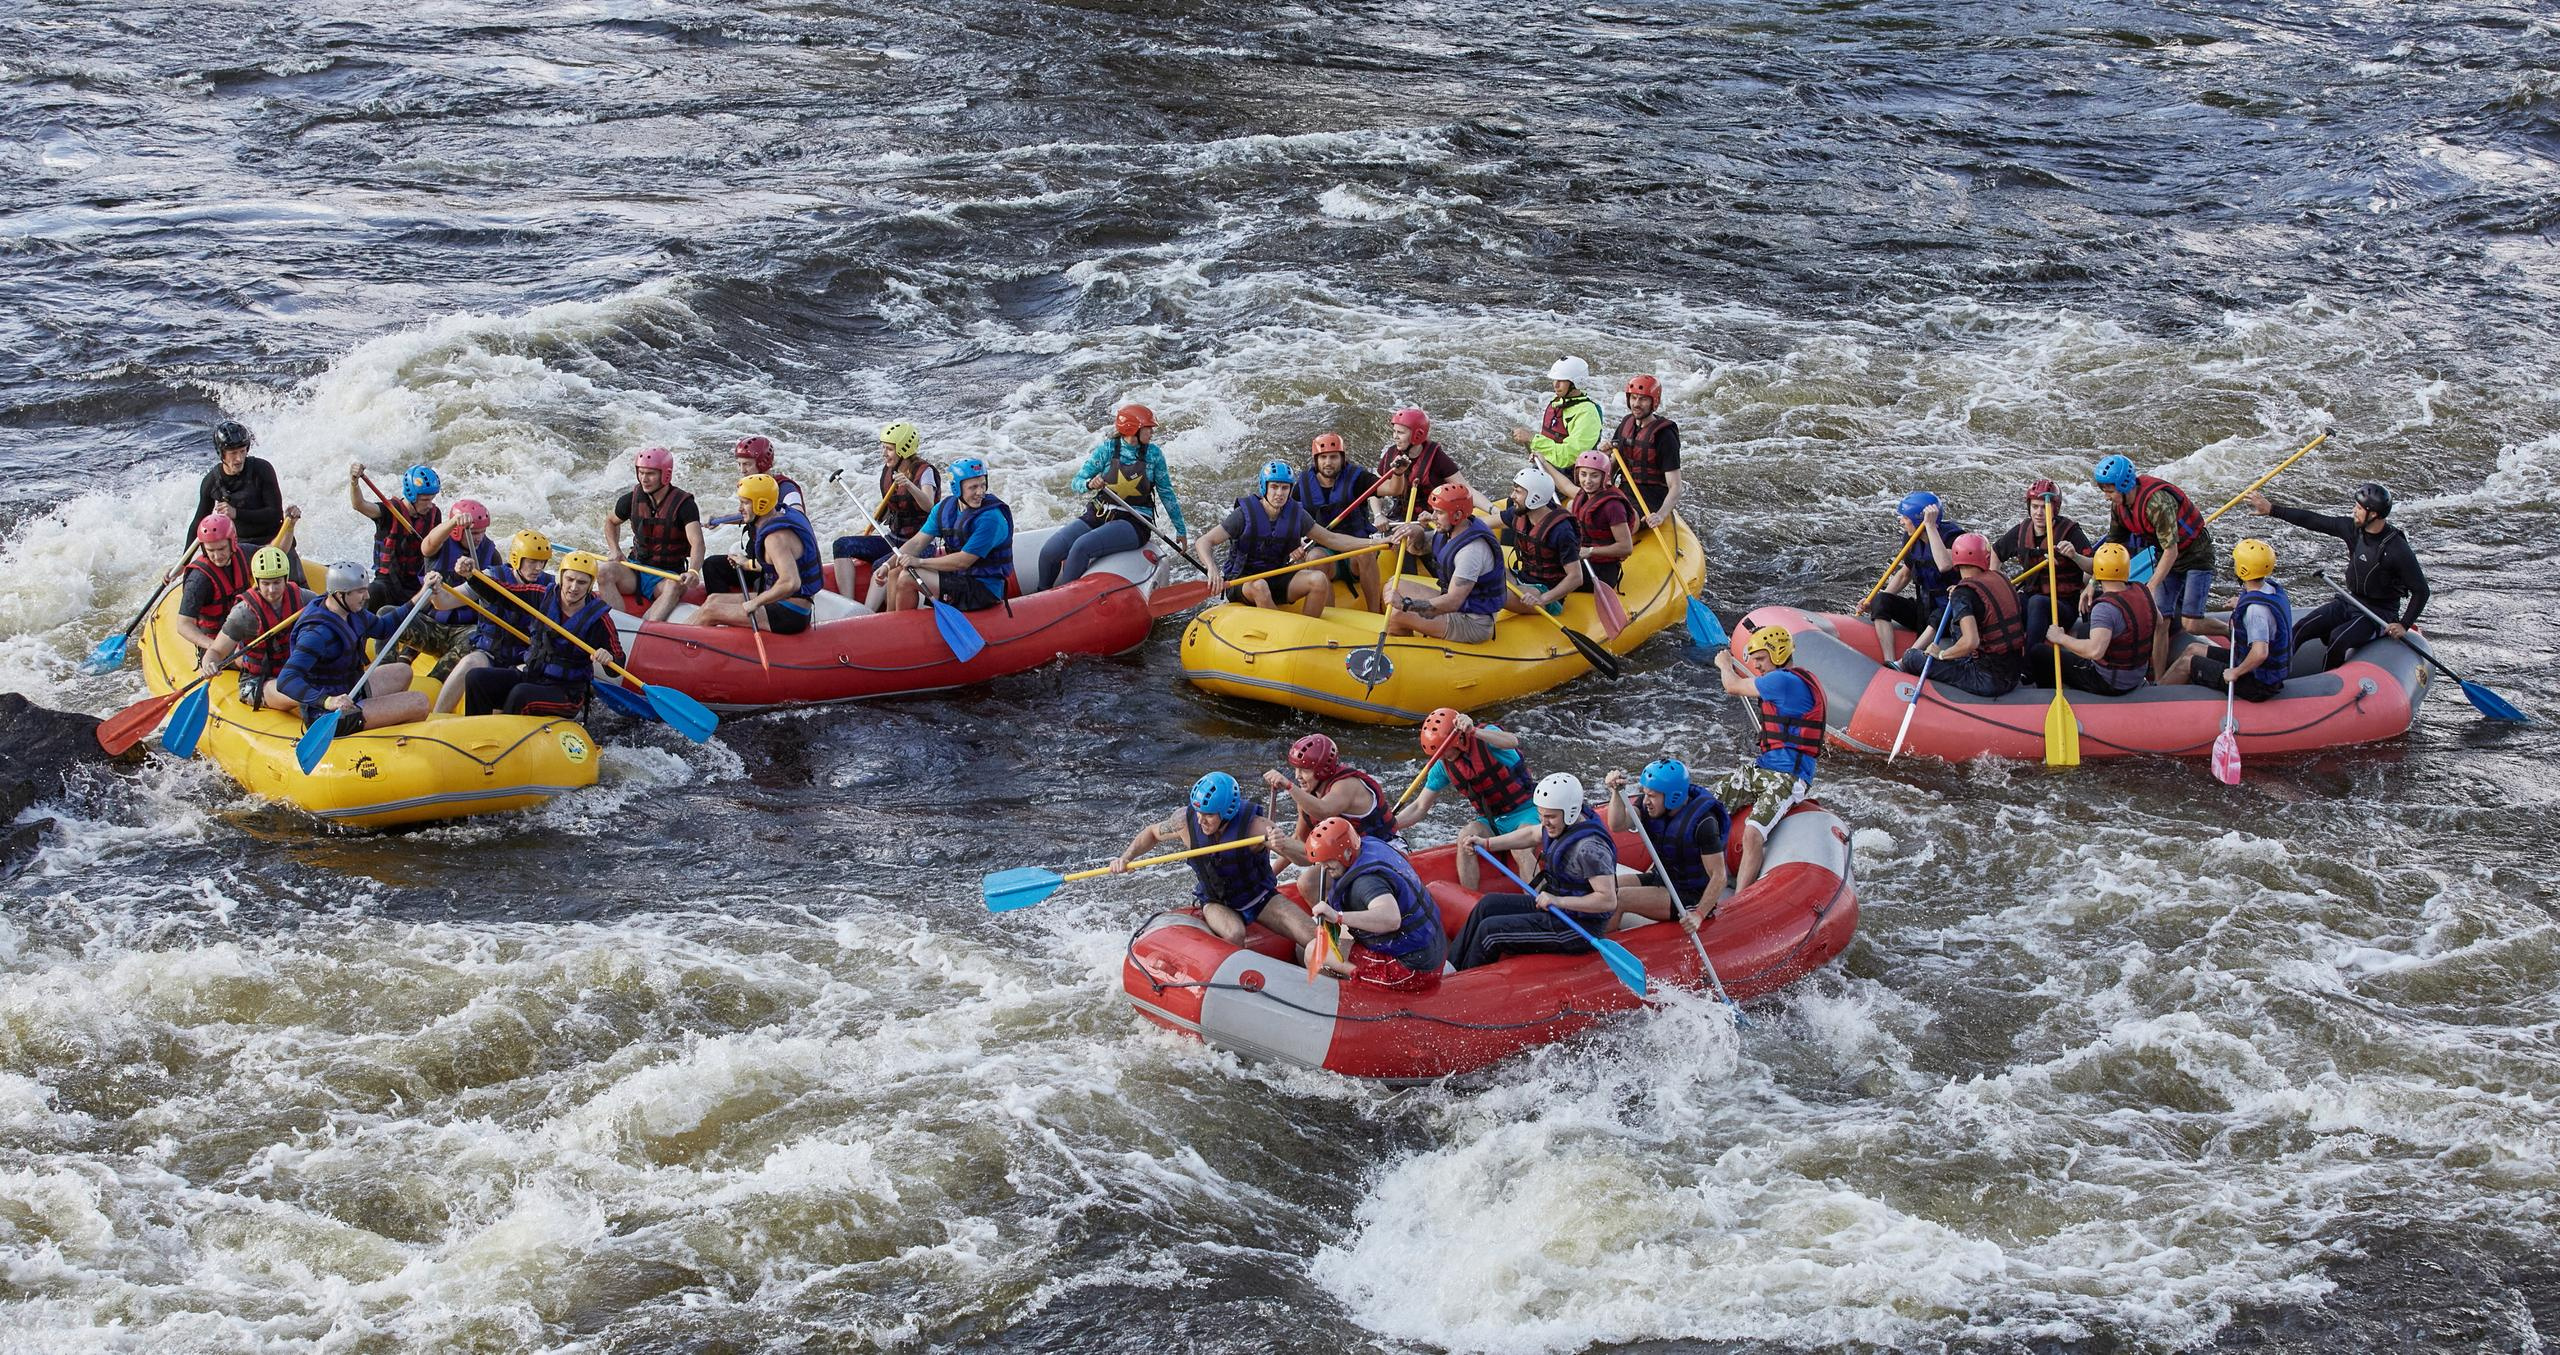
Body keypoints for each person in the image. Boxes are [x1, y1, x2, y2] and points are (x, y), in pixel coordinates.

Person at [1111, 772, 1314, 952]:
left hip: (1259, 898)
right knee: (1234, 933)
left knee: (1311, 934)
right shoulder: (1184, 821)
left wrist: (1284, 844)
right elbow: (1152, 833)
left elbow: (1306, 857)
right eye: (1199, 812)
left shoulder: (1257, 828)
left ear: (1227, 812)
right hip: (1217, 902)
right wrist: (1126, 857)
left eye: (1208, 815)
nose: (1201, 820)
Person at [1448, 773, 1622, 971]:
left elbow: (1608, 900)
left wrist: (1559, 901)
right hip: (1557, 908)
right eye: (1541, 816)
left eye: (1550, 817)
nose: (1545, 822)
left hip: (1578, 927)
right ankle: (1451, 969)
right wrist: (1486, 843)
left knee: (1491, 932)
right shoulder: (1561, 823)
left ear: (1571, 812)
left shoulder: (1590, 848)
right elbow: (1531, 834)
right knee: (1487, 905)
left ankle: (1463, 984)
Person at [2246, 482, 2428, 670]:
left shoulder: (2397, 549)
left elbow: (2421, 591)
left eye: (2358, 508)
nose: (2353, 511)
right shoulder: (2353, 529)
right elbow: (2314, 520)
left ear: (2373, 514)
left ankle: (2324, 686)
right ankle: (2271, 674)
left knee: (2338, 638)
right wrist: (2272, 509)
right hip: (2350, 600)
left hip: (2378, 613)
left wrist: (2404, 624)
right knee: (2301, 628)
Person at [2071, 454, 2215, 674]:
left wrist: (2151, 586)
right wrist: (2092, 582)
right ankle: (2158, 680)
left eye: (2109, 491)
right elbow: (2112, 547)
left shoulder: (2157, 503)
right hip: (2167, 558)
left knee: (2190, 624)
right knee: (2160, 622)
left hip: (2196, 556)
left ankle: (2228, 631)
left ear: (2124, 485)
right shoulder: (2119, 507)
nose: (2106, 497)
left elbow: (2171, 550)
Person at [1712, 624, 1822, 890]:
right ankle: (1708, 875)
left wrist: (1724, 663)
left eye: (1761, 659)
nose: (1758, 665)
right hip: (1763, 767)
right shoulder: (1780, 681)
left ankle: (1739, 899)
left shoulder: (1784, 681)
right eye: (1756, 659)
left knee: (1752, 832)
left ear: (1779, 653)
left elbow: (1732, 685)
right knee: (1710, 807)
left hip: (1789, 776)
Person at [1038, 404, 1189, 591]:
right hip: (1100, 513)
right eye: (1148, 428)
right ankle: (1041, 595)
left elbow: (1167, 493)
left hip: (1135, 521)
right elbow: (1076, 482)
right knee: (1049, 552)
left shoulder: (1154, 455)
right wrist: (1089, 484)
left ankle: (1062, 600)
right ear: (1133, 429)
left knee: (1081, 547)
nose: (1152, 432)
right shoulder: (1107, 450)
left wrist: (1180, 529)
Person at [456, 550, 624, 717]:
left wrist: (607, 658)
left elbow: (617, 664)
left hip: (567, 693)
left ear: (590, 585)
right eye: (570, 579)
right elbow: (503, 593)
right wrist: (472, 576)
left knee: (521, 694)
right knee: (476, 678)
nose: (574, 587)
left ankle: (505, 736)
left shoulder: (600, 620)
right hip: (533, 676)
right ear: (561, 578)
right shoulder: (542, 596)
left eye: (581, 582)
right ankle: (475, 733)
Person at [276, 563, 436, 734]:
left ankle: (379, 722)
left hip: (350, 691)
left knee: (403, 671)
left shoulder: (351, 611)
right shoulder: (316, 635)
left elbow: (383, 628)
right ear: (339, 594)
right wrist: (327, 701)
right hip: (331, 713)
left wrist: (422, 594)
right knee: (420, 702)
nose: (367, 596)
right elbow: (286, 680)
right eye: (360, 591)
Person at [1197, 459, 1371, 616]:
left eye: (1284, 488)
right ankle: (1281, 633)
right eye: (1274, 487)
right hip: (1243, 582)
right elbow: (1204, 541)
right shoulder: (1243, 515)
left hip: (1277, 577)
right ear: (1264, 487)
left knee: (1319, 580)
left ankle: (1308, 632)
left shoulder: (1297, 514)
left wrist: (1375, 542)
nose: (1279, 493)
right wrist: (1212, 568)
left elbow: (1332, 539)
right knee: (1260, 586)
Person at [1396, 707, 1541, 886]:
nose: (1442, 756)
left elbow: (1512, 741)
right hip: (1493, 820)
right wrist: (1387, 824)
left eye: (1444, 750)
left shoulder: (1485, 737)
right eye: (1438, 753)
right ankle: (1471, 901)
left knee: (1520, 849)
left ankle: (1536, 906)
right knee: (1465, 838)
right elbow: (1419, 807)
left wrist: (1475, 731)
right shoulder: (1443, 765)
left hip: (1527, 811)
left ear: (1458, 738)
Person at [1301, 817, 1445, 990]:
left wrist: (1338, 916)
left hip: (1412, 969)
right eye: (1321, 862)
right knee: (1306, 946)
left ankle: (1350, 997)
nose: (1324, 867)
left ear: (1347, 853)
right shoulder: (1368, 846)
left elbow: (1392, 919)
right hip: (1428, 950)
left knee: (1313, 951)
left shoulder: (1366, 883)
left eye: (1328, 861)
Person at [431, 531, 554, 715]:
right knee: (470, 662)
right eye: (532, 561)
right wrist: (435, 589)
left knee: (519, 686)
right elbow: (444, 602)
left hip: (523, 659)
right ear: (516, 559)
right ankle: (436, 718)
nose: (538, 567)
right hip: (489, 654)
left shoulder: (549, 586)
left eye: (542, 562)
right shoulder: (489, 578)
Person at [1895, 532, 2025, 697]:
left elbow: (1971, 641)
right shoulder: (2001, 578)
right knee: (1956, 628)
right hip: (2013, 672)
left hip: (1986, 679)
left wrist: (1942, 654)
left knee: (1911, 657)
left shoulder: (1963, 594)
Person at [1601, 760, 1729, 927]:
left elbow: (1719, 876)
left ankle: (1601, 951)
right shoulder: (1649, 807)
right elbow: (1617, 825)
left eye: (1652, 796)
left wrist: (1699, 914)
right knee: (1606, 888)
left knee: (1618, 898)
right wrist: (1616, 793)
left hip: (1691, 895)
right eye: (1645, 793)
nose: (1646, 801)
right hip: (1662, 878)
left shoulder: (1704, 823)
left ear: (1673, 797)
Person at [2165, 538, 2292, 700]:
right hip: (2248, 664)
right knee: (2193, 649)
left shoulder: (2255, 611)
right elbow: (2263, 607)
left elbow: (2260, 652)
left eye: (2236, 562)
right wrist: (2240, 602)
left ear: (2243, 569)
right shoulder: (2271, 589)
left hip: (2257, 683)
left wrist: (2235, 672)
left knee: (2187, 663)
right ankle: (2157, 688)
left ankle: (2149, 703)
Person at [831, 422, 941, 608]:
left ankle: (866, 615)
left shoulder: (925, 472)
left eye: (889, 449)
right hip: (893, 539)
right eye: (884, 448)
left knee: (880, 566)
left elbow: (929, 505)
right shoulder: (889, 471)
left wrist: (909, 485)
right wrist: (878, 517)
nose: (884, 453)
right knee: (841, 545)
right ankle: (848, 606)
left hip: (920, 545)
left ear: (904, 450)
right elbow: (893, 507)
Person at [696, 474, 823, 635]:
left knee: (710, 611)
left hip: (789, 613)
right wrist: (746, 563)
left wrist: (756, 602)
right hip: (784, 603)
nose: (740, 508)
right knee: (713, 599)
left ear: (761, 505)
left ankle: (675, 647)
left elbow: (791, 583)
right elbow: (777, 565)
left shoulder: (774, 538)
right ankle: (677, 636)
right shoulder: (780, 513)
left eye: (745, 503)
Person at [886, 457, 1013, 615]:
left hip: (983, 589)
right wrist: (887, 565)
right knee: (895, 572)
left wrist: (919, 562)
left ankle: (900, 628)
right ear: (957, 488)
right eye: (973, 487)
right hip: (960, 577)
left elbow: (962, 562)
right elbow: (917, 543)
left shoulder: (991, 519)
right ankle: (889, 621)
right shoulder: (944, 509)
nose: (980, 492)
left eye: (983, 485)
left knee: (907, 577)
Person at [1383, 482, 1506, 643]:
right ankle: (1408, 639)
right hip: (1459, 606)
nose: (1432, 517)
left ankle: (1404, 652)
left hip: (1473, 622)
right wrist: (1416, 532)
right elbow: (1419, 548)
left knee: (1397, 614)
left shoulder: (1471, 552)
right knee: (1393, 584)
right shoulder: (1454, 529)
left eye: (1439, 512)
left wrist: (1406, 605)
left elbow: (1453, 602)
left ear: (1457, 515)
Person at [199, 545, 312, 713]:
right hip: (258, 682)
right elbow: (216, 650)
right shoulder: (244, 613)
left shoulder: (303, 597)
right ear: (257, 582)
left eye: (277, 582)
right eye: (266, 583)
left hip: (293, 670)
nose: (272, 590)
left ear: (286, 579)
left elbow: (330, 608)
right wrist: (209, 664)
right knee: (298, 691)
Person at [2035, 543, 2159, 696]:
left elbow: (2095, 651)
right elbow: (2157, 621)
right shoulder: (2142, 590)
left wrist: (2060, 638)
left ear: (2097, 570)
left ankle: (2047, 697)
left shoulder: (2104, 608)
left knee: (2038, 653)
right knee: (2084, 630)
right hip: (2138, 673)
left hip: (2110, 682)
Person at [601, 446, 704, 622]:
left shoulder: (684, 505)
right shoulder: (630, 499)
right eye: (641, 473)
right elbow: (611, 522)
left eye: (650, 474)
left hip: (667, 576)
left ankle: (646, 629)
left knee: (673, 587)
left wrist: (694, 570)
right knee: (603, 570)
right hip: (636, 569)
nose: (644, 479)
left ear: (665, 475)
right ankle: (617, 625)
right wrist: (614, 550)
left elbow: (697, 543)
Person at [1860, 491, 1964, 661]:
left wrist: (1930, 527)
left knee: (1938, 616)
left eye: (1905, 518)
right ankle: (1889, 660)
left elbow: (1945, 565)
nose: (1901, 521)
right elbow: (1904, 574)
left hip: (1950, 614)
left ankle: (1905, 661)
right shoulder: (1911, 539)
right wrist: (1874, 600)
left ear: (1919, 520)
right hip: (1924, 610)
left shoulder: (1954, 538)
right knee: (1882, 600)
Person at [1295, 432, 1388, 612]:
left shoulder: (1358, 477)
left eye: (1333, 457)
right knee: (1313, 558)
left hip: (1354, 550)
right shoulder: (1303, 484)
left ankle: (1375, 612)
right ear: (1316, 460)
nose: (1328, 462)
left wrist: (1398, 474)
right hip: (1326, 553)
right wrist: (1294, 543)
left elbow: (1392, 488)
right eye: (1323, 457)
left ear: (1342, 458)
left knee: (1365, 553)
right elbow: (1288, 517)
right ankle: (1333, 619)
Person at [1262, 733, 1396, 855]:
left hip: (1386, 847)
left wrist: (1289, 786)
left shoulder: (1346, 784)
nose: (1297, 776)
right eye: (1296, 769)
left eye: (1304, 770)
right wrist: (1272, 876)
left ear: (1323, 770)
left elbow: (1325, 810)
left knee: (1308, 882)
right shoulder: (1307, 800)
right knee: (1307, 880)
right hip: (1352, 855)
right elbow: (1298, 841)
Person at [1994, 478, 2093, 641]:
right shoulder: (2021, 531)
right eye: (2035, 507)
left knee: (2037, 602)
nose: (2039, 513)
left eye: (2044, 507)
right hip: (2031, 597)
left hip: (2063, 606)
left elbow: (2094, 566)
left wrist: (2075, 556)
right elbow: (1996, 553)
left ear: (2055, 508)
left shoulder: (2071, 532)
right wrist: (1996, 584)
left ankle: (2031, 658)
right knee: (2009, 602)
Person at [186, 421, 297, 563]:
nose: (238, 458)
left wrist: (236, 513)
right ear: (222, 454)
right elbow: (198, 524)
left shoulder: (262, 469)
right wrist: (184, 563)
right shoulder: (211, 482)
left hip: (275, 541)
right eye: (233, 453)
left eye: (242, 451)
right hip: (242, 550)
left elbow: (274, 514)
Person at [415, 499, 502, 673]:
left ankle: (435, 680)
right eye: (474, 532)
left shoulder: (490, 553)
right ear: (456, 530)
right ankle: (392, 662)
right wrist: (455, 521)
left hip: (464, 629)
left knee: (475, 638)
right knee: (386, 612)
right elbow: (427, 546)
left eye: (482, 532)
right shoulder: (439, 546)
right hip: (431, 622)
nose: (479, 538)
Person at [350, 463, 443, 609]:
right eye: (425, 500)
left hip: (416, 581)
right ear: (412, 495)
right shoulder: (390, 511)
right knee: (373, 592)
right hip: (387, 581)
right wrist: (354, 482)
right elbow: (359, 505)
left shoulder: (434, 514)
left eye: (432, 499)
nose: (430, 505)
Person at [1497, 465, 1586, 616]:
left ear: (1535, 497)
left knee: (1493, 593)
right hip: (1522, 577)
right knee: (1483, 571)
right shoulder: (1521, 513)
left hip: (1545, 592)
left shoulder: (1561, 531)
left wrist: (1543, 599)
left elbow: (1576, 577)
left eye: (1518, 492)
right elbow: (1484, 523)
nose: (1512, 496)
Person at [172, 514, 258, 661]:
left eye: (221, 548)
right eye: (211, 550)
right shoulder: (199, 579)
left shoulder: (244, 553)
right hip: (216, 642)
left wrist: (290, 526)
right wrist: (215, 647)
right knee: (256, 660)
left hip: (246, 630)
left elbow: (273, 551)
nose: (217, 556)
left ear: (233, 542)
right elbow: (183, 624)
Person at [1606, 374, 1684, 529]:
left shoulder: (1665, 435)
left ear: (1654, 402)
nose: (1636, 404)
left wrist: (1660, 515)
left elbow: (1676, 485)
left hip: (1651, 497)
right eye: (1633, 398)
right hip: (1625, 490)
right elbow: (1614, 464)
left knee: (1623, 523)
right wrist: (1605, 456)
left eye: (1643, 399)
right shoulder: (1626, 423)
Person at [1371, 407, 1470, 522]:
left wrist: (1492, 510)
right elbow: (1375, 489)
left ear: (1417, 435)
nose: (1395, 436)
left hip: (1431, 518)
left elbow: (1466, 490)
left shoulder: (1437, 458)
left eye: (1400, 432)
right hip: (1400, 515)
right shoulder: (1391, 455)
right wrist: (1378, 515)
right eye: (1394, 431)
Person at [1512, 357, 1603, 476]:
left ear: (1576, 382)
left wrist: (1532, 439)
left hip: (1569, 478)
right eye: (1555, 380)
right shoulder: (1559, 403)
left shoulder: (1587, 414)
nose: (1556, 385)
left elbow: (1568, 457)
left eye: (1562, 380)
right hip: (1547, 469)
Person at [1566, 450, 1637, 591]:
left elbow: (1626, 547)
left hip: (1602, 571)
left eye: (1594, 475)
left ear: (1604, 477)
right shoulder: (1584, 495)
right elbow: (1564, 484)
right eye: (1583, 474)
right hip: (1583, 560)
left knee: (1552, 575)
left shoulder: (1613, 506)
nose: (1587, 481)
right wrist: (1543, 463)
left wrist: (1591, 551)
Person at [733, 436, 805, 513]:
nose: (742, 470)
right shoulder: (752, 487)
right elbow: (750, 515)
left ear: (762, 464)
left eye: (746, 464)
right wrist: (720, 520)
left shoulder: (786, 488)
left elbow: (798, 514)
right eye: (739, 464)